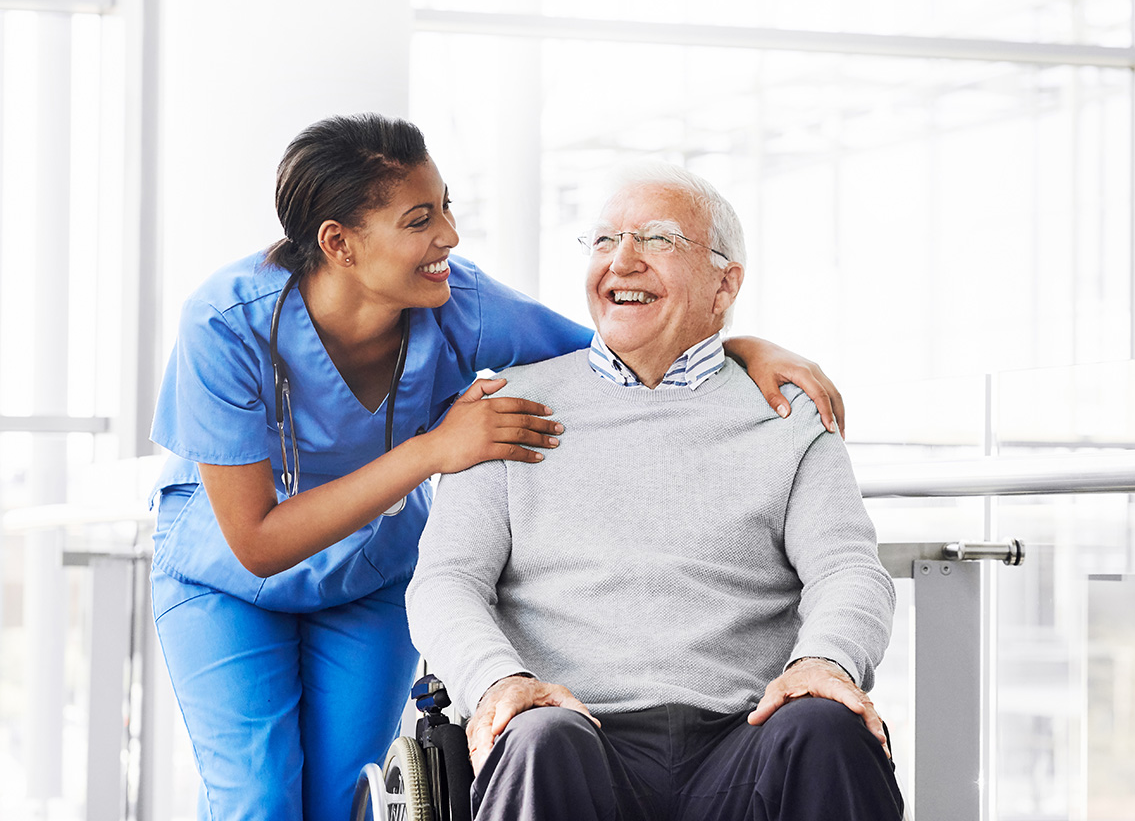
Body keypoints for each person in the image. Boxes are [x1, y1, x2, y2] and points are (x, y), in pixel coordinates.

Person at [148, 113, 848, 821]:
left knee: (342, 801)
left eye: (446, 206)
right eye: (420, 219)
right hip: (227, 580)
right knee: (257, 799)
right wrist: (431, 451)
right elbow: (257, 544)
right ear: (340, 243)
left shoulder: (460, 301)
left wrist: (743, 346)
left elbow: (627, 346)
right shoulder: (226, 323)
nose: (449, 235)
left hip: (364, 575)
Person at [406, 161, 902, 821]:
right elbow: (446, 581)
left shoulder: (787, 417)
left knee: (824, 726)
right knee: (537, 736)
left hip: (744, 734)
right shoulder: (506, 407)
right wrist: (501, 681)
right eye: (605, 241)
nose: (623, 260)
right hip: (573, 732)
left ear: (723, 285)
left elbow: (847, 571)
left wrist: (825, 662)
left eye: (658, 239)